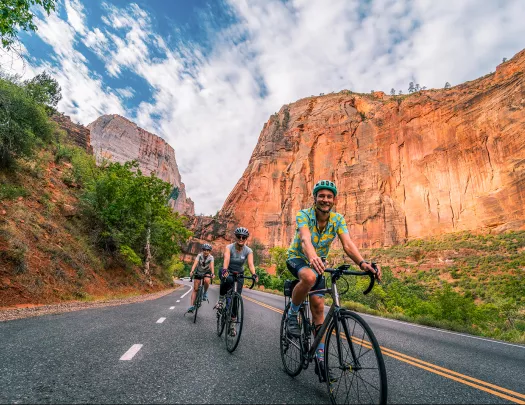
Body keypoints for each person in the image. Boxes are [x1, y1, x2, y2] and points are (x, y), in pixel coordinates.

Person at [285, 180, 381, 381]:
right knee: (309, 276)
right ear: (315, 198)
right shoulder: (304, 215)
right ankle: (292, 315)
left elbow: (347, 244)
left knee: (319, 307)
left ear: (334, 200)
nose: (325, 199)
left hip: (318, 262)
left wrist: (363, 264)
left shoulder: (338, 219)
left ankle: (320, 361)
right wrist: (312, 256)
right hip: (298, 258)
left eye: (329, 196)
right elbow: (305, 240)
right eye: (322, 196)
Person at [215, 227, 259, 335]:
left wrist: (254, 274)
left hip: (239, 274)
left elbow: (250, 264)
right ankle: (221, 301)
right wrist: (225, 270)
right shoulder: (229, 247)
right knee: (226, 278)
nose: (241, 238)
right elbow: (226, 259)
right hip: (228, 270)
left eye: (243, 237)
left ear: (246, 238)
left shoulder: (248, 250)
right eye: (239, 236)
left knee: (236, 299)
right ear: (236, 237)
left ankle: (233, 326)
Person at [187, 243, 214, 313]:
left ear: (209, 251)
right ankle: (191, 306)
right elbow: (195, 264)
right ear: (202, 250)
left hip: (206, 272)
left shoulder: (211, 257)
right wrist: (192, 271)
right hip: (198, 272)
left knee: (207, 280)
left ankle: (205, 293)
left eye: (208, 250)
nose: (206, 251)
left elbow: (211, 266)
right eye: (204, 250)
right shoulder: (199, 255)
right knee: (195, 289)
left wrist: (213, 273)